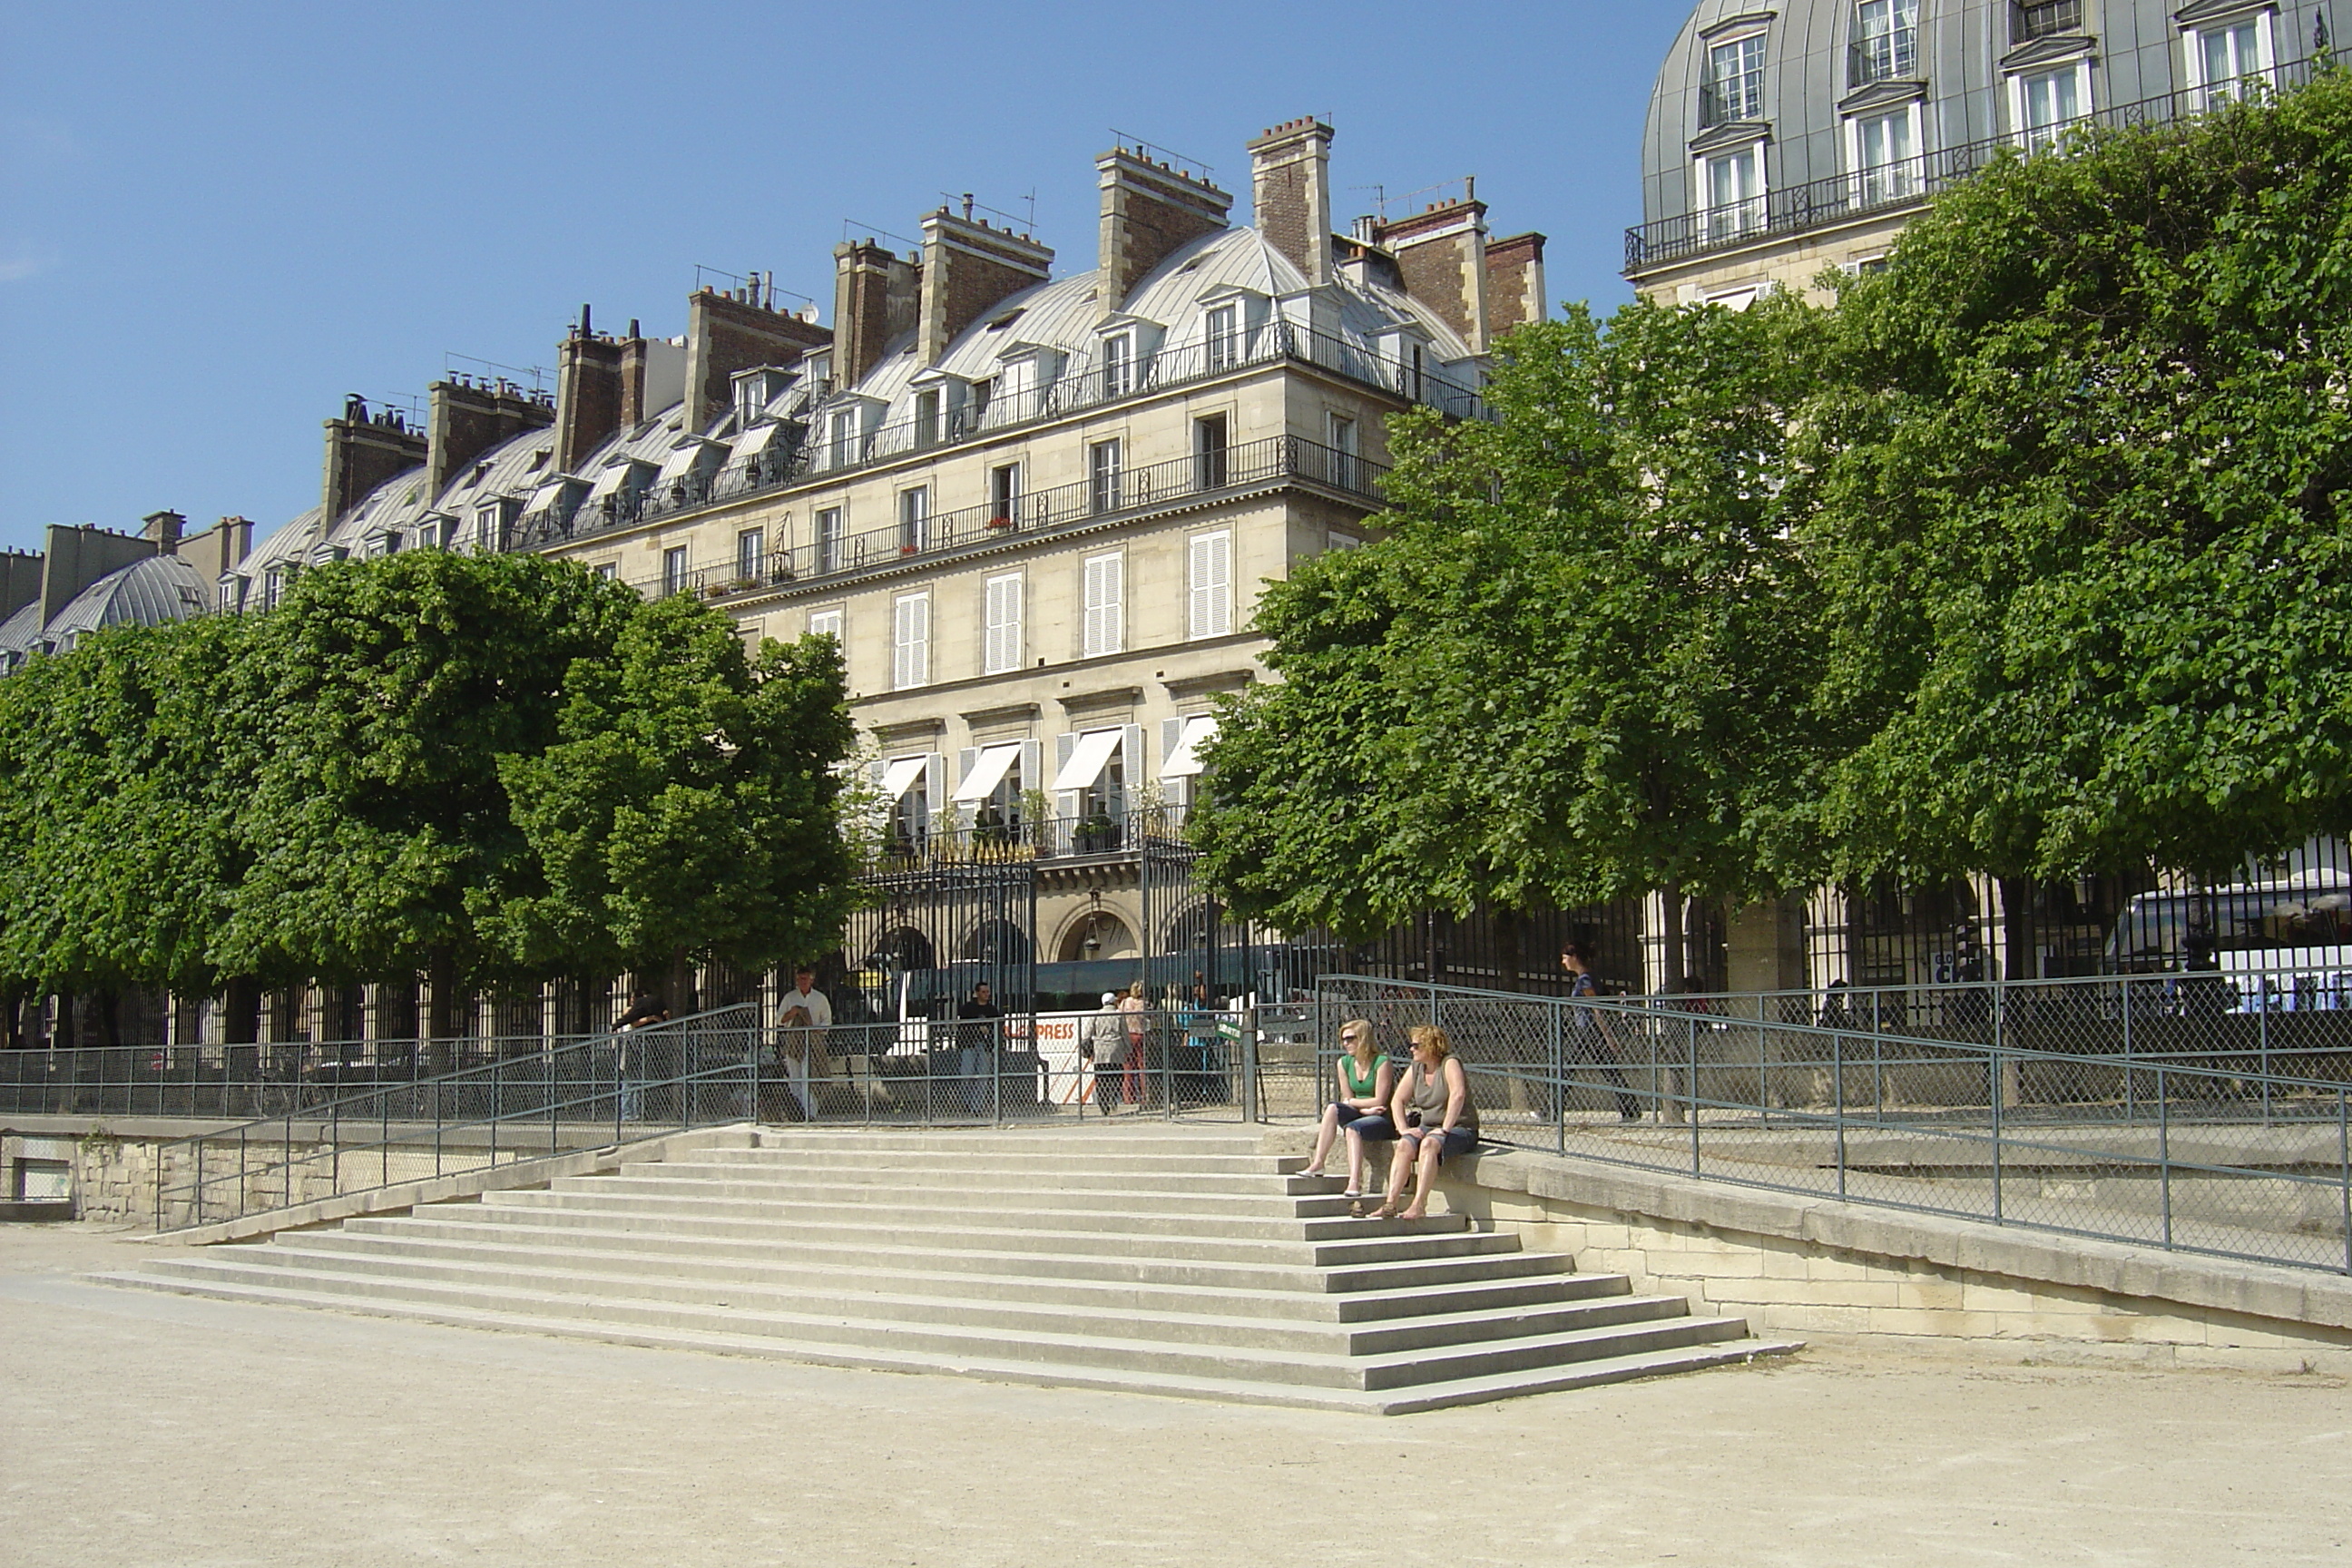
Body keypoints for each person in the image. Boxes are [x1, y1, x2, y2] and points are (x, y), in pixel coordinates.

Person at [1367, 1024, 1479, 1221]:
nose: (1412, 1049)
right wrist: (1403, 1129)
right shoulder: (1416, 1067)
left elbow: (1458, 1095)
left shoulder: (1449, 1063)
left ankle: (1419, 1204)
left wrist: (1444, 1129)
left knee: (1429, 1144)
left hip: (1459, 1127)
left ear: (1431, 1045)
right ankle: (1390, 1203)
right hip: (1427, 1126)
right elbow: (1397, 1100)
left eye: (1416, 1045)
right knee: (1404, 1145)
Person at [1300, 1018, 1396, 1199]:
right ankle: (1319, 1162)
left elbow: (1380, 1100)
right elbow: (1347, 1098)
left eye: (1351, 1038)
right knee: (1331, 1108)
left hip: (1381, 1118)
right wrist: (1362, 1108)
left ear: (1363, 1039)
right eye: (1343, 1039)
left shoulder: (1382, 1062)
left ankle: (1355, 1181)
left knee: (1352, 1129)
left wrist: (1356, 1105)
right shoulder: (1343, 1063)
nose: (1346, 1043)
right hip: (1364, 1112)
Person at [1561, 941, 1642, 1122]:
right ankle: (1631, 1110)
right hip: (1589, 1031)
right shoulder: (1586, 978)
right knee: (1608, 1070)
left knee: (1567, 1069)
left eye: (1565, 958)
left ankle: (1550, 1110)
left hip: (1587, 1031)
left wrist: (1607, 1035)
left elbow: (1596, 1007)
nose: (1563, 962)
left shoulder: (1586, 980)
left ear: (1574, 958)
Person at [778, 966, 833, 1121]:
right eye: (800, 979)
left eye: (805, 978)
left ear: (811, 980)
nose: (802, 982)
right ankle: (797, 1113)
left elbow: (827, 1022)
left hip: (813, 1043)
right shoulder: (790, 998)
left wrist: (814, 1030)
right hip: (794, 1041)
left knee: (810, 1077)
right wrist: (793, 1013)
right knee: (795, 1078)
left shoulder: (820, 998)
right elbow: (779, 1020)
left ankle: (811, 1113)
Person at [612, 990, 668, 1122]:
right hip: (630, 1048)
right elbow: (632, 1021)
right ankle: (627, 1114)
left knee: (640, 1082)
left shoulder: (642, 1007)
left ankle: (638, 1113)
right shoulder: (630, 1011)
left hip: (639, 1047)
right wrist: (651, 1018)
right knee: (629, 1083)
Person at [956, 982, 1004, 1114]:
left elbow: (998, 1027)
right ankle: (966, 1102)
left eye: (988, 992)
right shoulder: (968, 1008)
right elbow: (963, 1026)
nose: (986, 995)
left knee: (982, 1077)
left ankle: (976, 1107)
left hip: (985, 1046)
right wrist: (977, 1029)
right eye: (983, 992)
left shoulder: (992, 1010)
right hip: (969, 1044)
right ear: (977, 993)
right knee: (967, 1074)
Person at [1082, 991, 1128, 1113]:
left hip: (1100, 1050)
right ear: (1114, 1002)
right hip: (1116, 1050)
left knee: (1101, 1078)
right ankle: (1114, 1096)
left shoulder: (1096, 1015)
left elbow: (1087, 1034)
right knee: (1117, 1076)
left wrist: (1087, 1050)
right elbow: (1125, 1034)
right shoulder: (1119, 1015)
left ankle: (1103, 1105)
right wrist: (1128, 1050)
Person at [1118, 981, 1149, 1107]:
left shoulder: (1125, 1002)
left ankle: (1128, 1097)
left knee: (1128, 1068)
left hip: (1127, 1035)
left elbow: (1119, 1017)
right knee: (1142, 1067)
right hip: (1140, 1035)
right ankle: (1144, 1095)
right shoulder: (1144, 1004)